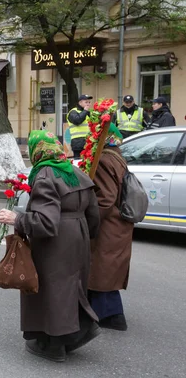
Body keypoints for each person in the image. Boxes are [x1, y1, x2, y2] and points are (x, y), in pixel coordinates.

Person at [0, 130, 101, 362]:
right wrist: (84, 237)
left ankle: (53, 347)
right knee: (72, 289)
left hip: (56, 243)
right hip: (79, 237)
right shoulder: (74, 171)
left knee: (51, 293)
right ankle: (77, 334)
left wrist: (16, 219)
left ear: (37, 150)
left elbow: (46, 222)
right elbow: (94, 215)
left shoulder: (44, 175)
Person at [88, 124, 133, 331]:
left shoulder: (105, 159)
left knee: (102, 270)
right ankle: (102, 313)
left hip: (109, 225)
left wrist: (87, 221)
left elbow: (104, 200)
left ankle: (111, 317)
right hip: (118, 224)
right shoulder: (116, 155)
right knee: (105, 270)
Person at [67, 94, 93, 159]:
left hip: (88, 141)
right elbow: (77, 121)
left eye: (89, 102)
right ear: (80, 102)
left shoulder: (87, 112)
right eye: (86, 102)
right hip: (77, 142)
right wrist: (85, 111)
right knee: (78, 161)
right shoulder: (73, 112)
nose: (88, 104)